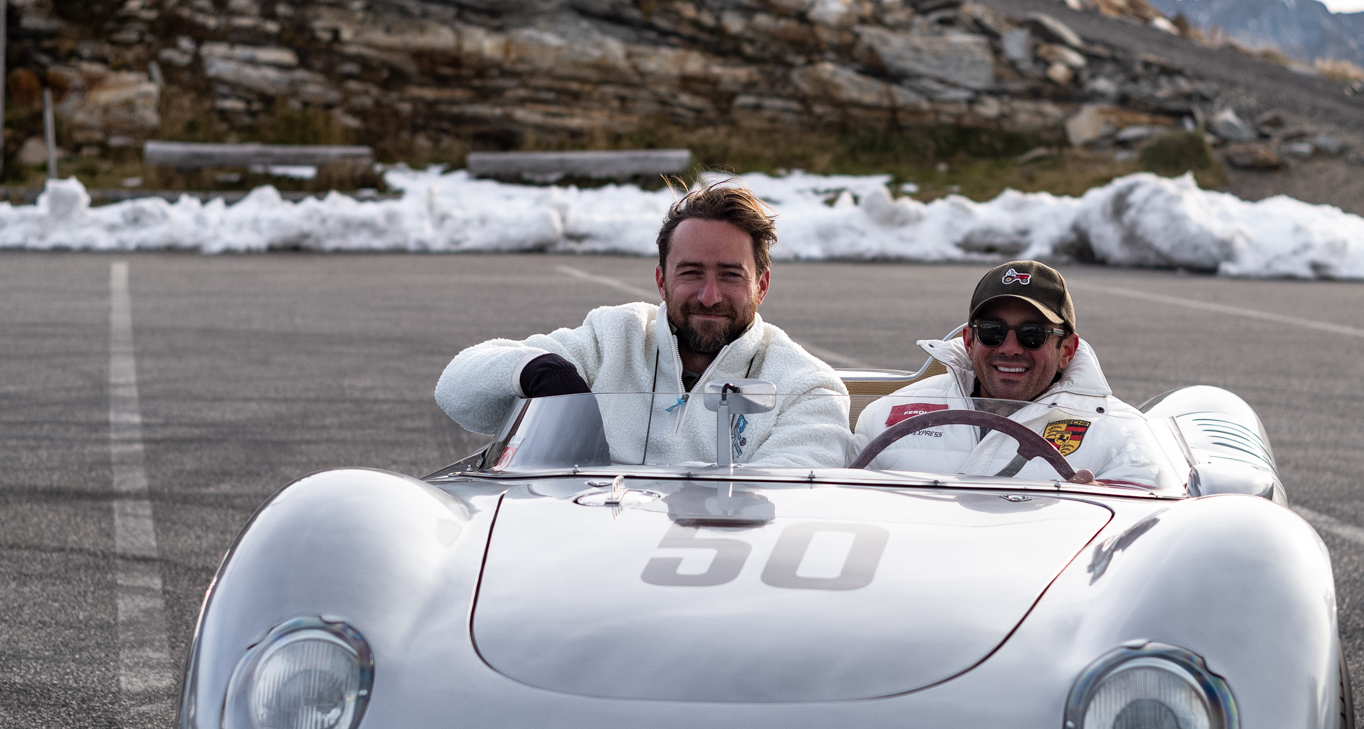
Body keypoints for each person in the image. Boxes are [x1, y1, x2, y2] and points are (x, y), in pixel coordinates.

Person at [435, 180, 852, 469]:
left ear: (761, 285)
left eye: (730, 274)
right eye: (690, 273)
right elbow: (456, 388)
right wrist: (535, 371)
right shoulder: (611, 336)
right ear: (661, 281)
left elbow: (784, 507)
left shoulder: (808, 387)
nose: (709, 296)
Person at [851, 260, 1166, 485]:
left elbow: (1135, 543)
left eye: (1032, 335)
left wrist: (1104, 507)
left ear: (1067, 350)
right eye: (992, 332)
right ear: (970, 341)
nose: (1011, 348)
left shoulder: (1123, 434)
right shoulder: (884, 417)